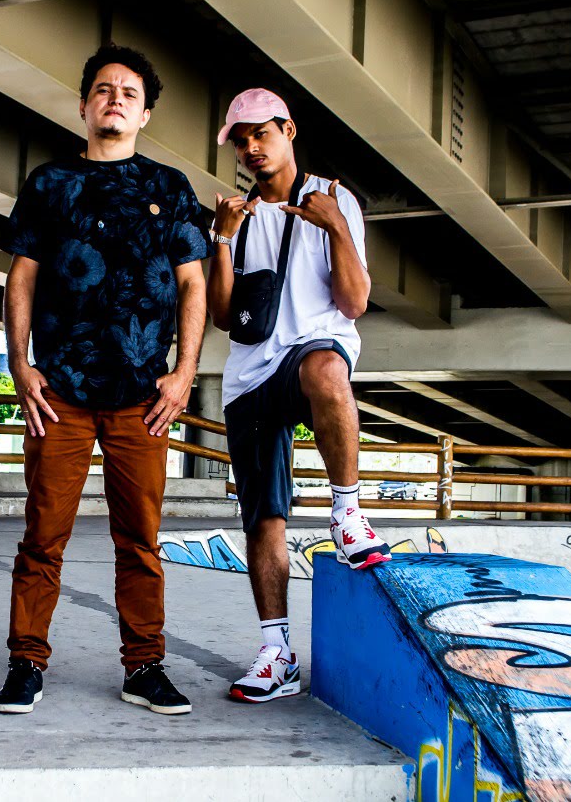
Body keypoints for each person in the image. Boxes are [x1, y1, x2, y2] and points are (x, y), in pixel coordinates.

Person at [0, 44, 208, 716]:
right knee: (43, 536)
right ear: (85, 105)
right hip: (59, 390)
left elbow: (193, 284)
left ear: (145, 115)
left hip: (143, 396)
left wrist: (184, 373)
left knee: (140, 540)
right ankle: (26, 662)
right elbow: (22, 276)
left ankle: (144, 666)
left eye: (129, 93)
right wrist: (20, 363)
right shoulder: (49, 183)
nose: (115, 99)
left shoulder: (169, 187)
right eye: (104, 90)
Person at [206, 88, 391, 705]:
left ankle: (347, 513)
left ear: (288, 130)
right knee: (263, 517)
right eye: (241, 141)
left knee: (327, 370)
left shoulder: (336, 199)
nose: (251, 148)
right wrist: (222, 239)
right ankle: (276, 653)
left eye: (261, 133)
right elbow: (224, 316)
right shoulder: (236, 215)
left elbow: (354, 303)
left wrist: (333, 224)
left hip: (312, 347)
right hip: (251, 373)